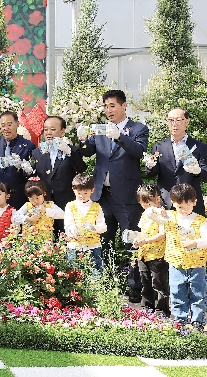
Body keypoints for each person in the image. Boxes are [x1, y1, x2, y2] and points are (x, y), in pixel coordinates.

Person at [78, 89, 147, 301]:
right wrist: (82, 140)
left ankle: (135, 288)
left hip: (127, 196)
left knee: (131, 242)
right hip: (102, 196)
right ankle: (106, 284)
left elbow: (139, 151)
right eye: (105, 106)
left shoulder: (138, 128)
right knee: (103, 241)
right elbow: (87, 151)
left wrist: (120, 137)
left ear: (124, 105)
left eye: (112, 106)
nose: (108, 110)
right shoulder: (100, 129)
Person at [31, 116, 87, 238]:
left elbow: (81, 168)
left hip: (65, 201)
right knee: (46, 238)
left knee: (67, 237)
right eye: (46, 129)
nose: (48, 133)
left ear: (62, 131)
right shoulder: (37, 152)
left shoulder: (72, 150)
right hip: (44, 203)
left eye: (52, 129)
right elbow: (32, 176)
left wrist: (69, 152)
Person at [145, 107, 207, 216]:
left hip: (190, 203)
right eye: (170, 120)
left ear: (187, 122)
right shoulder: (159, 146)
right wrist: (150, 166)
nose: (174, 124)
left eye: (178, 120)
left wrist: (198, 171)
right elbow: (151, 174)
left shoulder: (199, 147)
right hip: (166, 202)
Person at [164, 184, 207, 330]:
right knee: (177, 292)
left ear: (194, 202)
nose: (183, 210)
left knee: (198, 294)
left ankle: (198, 321)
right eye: (180, 206)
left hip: (197, 264)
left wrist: (194, 242)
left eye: (187, 205)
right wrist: (157, 211)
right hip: (176, 263)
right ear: (173, 203)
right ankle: (179, 319)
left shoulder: (201, 221)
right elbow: (151, 214)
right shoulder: (170, 217)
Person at [0, 111, 36, 209]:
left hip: (18, 197)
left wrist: (25, 168)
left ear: (17, 124)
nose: (6, 128)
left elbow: (32, 175)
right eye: (3, 125)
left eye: (9, 124)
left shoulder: (29, 146)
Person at [132, 184, 170, 317]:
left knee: (159, 284)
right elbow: (142, 232)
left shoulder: (163, 214)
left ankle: (161, 310)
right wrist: (137, 240)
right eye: (143, 204)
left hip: (157, 254)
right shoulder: (144, 214)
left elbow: (162, 234)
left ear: (158, 199)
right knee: (145, 282)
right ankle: (147, 307)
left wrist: (146, 241)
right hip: (144, 253)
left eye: (148, 203)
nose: (146, 207)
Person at [64, 174, 107, 273]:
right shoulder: (70, 206)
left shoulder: (96, 207)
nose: (82, 196)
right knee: (75, 275)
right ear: (74, 190)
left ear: (92, 190)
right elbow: (68, 225)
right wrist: (73, 230)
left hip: (93, 247)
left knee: (96, 274)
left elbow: (103, 227)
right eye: (79, 193)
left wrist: (93, 227)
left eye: (85, 193)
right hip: (75, 247)